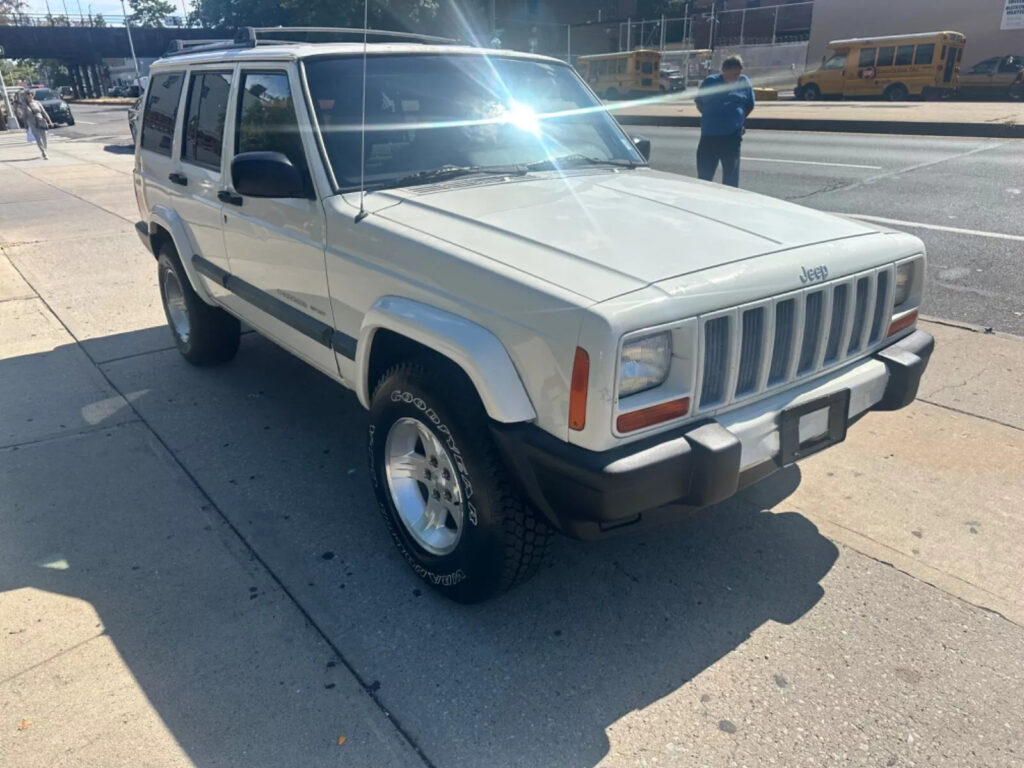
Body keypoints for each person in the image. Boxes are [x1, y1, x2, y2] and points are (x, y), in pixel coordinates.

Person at [694, 56, 755, 188]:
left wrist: (738, 120)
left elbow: (749, 105)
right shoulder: (711, 81)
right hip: (709, 136)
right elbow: (699, 103)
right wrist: (712, 117)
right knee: (704, 177)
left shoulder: (744, 82)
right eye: (733, 74)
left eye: (738, 73)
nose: (736, 77)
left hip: (732, 137)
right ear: (724, 70)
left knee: (731, 178)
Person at [25, 90, 55, 160]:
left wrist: (50, 121)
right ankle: (44, 152)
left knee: (44, 137)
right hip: (32, 123)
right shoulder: (25, 105)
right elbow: (24, 116)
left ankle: (45, 150)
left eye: (31, 94)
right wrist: (26, 126)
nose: (29, 95)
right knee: (38, 139)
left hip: (41, 120)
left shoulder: (37, 103)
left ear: (33, 95)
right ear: (26, 96)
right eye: (28, 94)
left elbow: (44, 112)